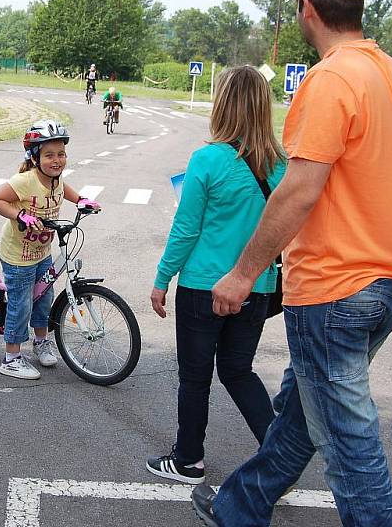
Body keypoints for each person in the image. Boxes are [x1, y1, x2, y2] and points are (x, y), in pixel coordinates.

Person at [191, 0, 392, 527]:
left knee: (349, 448)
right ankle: (239, 506)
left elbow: (299, 190)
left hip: (333, 290)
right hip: (386, 283)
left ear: (307, 9)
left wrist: (243, 273)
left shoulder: (329, 80)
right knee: (299, 413)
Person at [146, 66, 286, 486]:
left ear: (222, 106)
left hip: (203, 287)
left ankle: (188, 459)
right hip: (257, 286)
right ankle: (279, 456)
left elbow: (186, 229)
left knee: (194, 377)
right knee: (238, 370)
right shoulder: (282, 166)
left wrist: (161, 278)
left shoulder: (207, 159)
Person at [0, 120, 100, 380]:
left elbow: (64, 189)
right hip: (19, 256)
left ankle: (41, 342)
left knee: (44, 299)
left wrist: (82, 200)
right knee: (21, 304)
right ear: (35, 156)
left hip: (41, 251)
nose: (57, 160)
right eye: (49, 155)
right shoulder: (25, 181)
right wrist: (20, 215)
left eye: (61, 154)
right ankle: (11, 358)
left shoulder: (55, 180)